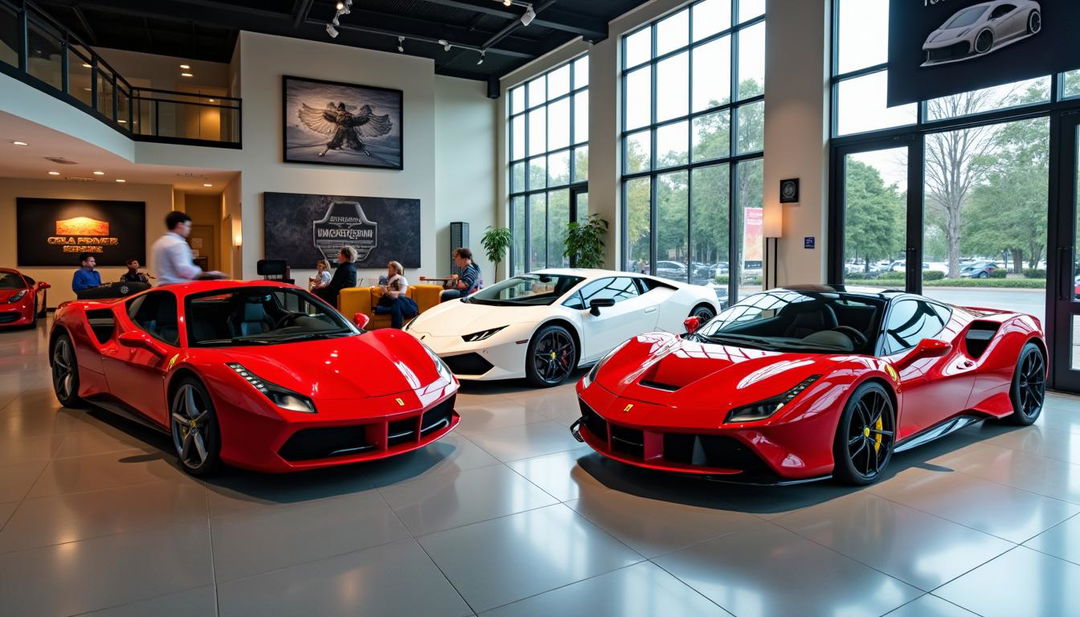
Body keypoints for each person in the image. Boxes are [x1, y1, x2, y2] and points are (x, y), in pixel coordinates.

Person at [151, 211, 224, 285]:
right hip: (177, 289)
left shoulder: (158, 243)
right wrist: (211, 275)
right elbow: (185, 271)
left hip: (162, 288)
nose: (189, 229)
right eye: (188, 226)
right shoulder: (177, 243)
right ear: (180, 225)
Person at [373, 261, 419, 329]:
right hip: (389, 301)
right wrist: (384, 291)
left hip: (398, 300)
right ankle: (397, 329)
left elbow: (402, 293)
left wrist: (389, 292)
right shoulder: (388, 279)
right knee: (397, 304)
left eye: (389, 268)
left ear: (395, 270)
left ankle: (381, 310)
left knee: (397, 303)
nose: (388, 270)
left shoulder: (401, 279)